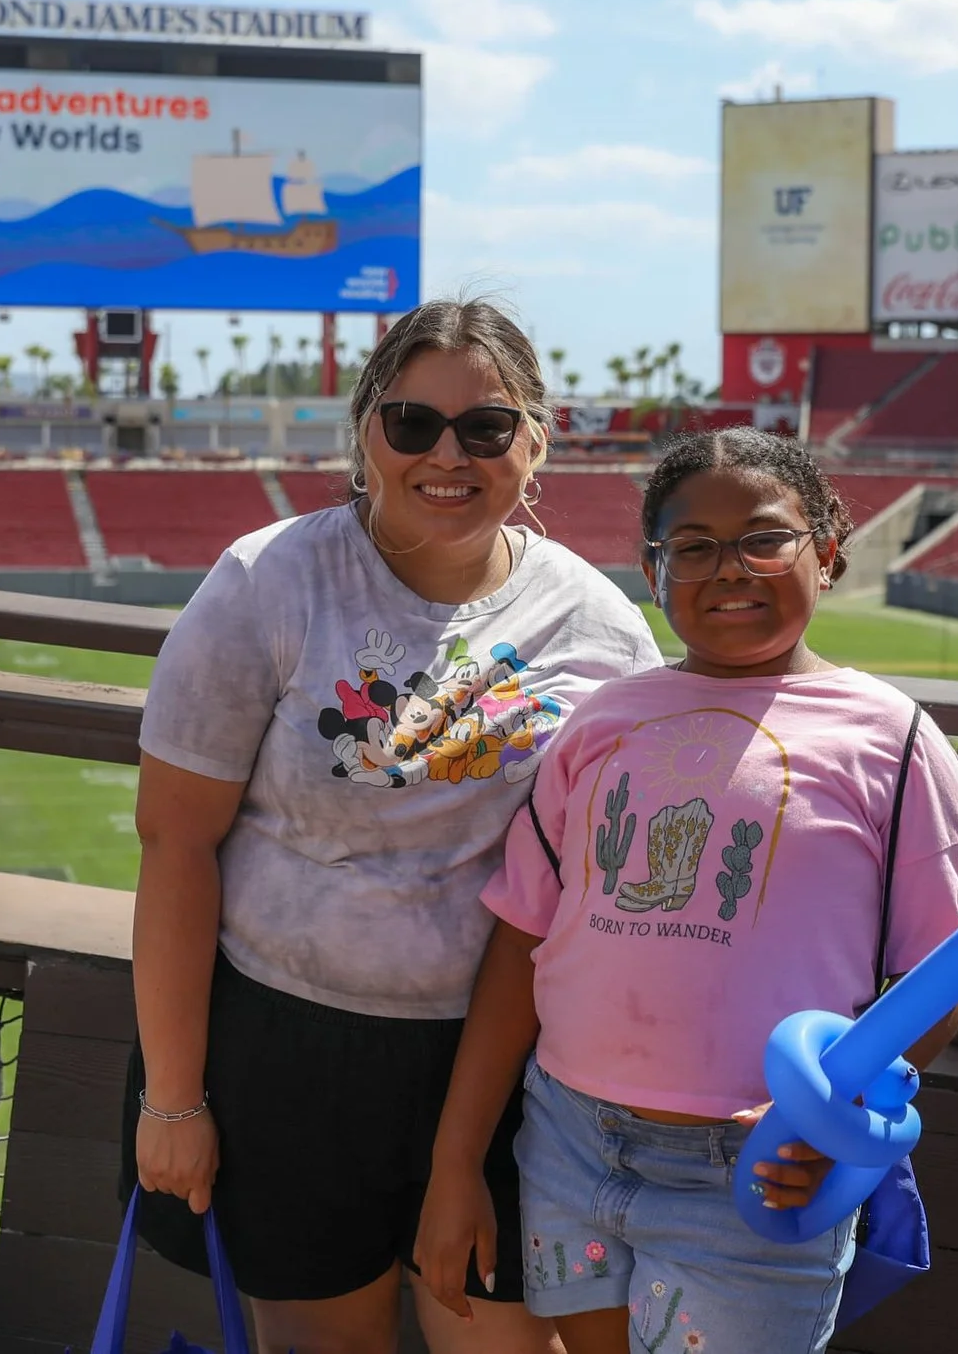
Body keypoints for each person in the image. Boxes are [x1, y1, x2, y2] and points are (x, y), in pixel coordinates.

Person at [127, 298, 665, 1354]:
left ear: (537, 439)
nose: (446, 454)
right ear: (364, 430)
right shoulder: (266, 579)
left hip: (509, 1063)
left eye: (486, 426)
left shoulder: (599, 625)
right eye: (412, 423)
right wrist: (175, 1099)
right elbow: (174, 843)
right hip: (283, 1047)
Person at [413, 428, 958, 1353]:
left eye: (765, 538)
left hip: (761, 1171)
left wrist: (830, 1117)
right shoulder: (602, 722)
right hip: (568, 1144)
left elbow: (942, 975)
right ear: (653, 571)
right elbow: (523, 943)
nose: (732, 569)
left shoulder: (896, 741)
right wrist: (454, 1163)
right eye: (693, 546)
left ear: (828, 552)